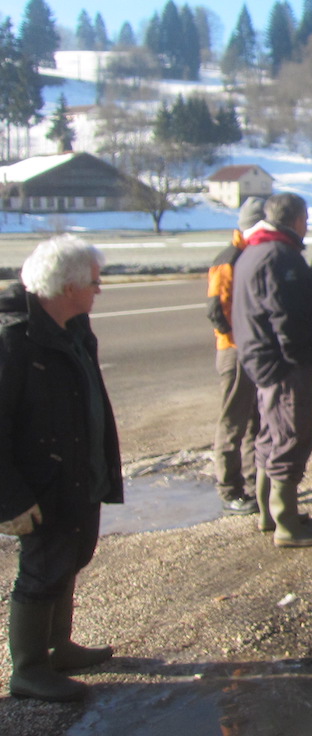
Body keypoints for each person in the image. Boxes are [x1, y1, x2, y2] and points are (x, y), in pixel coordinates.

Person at [0, 235, 122, 702]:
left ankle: (59, 647)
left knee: (72, 556)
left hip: (77, 470)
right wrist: (11, 499)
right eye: (94, 281)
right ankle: (29, 669)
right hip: (40, 481)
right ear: (68, 286)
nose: (99, 289)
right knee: (42, 568)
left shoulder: (73, 326)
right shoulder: (15, 340)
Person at [232, 192, 312, 548]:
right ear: (298, 220)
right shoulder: (280, 256)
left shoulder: (253, 250)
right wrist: (302, 359)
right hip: (283, 365)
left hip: (261, 361)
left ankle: (269, 513)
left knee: (269, 434)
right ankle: (286, 523)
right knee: (292, 435)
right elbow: (287, 317)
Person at [205, 196, 264, 515]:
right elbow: (217, 310)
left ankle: (256, 483)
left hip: (250, 349)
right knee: (233, 421)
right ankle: (229, 489)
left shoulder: (250, 254)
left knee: (256, 420)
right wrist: (242, 337)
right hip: (235, 350)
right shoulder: (230, 258)